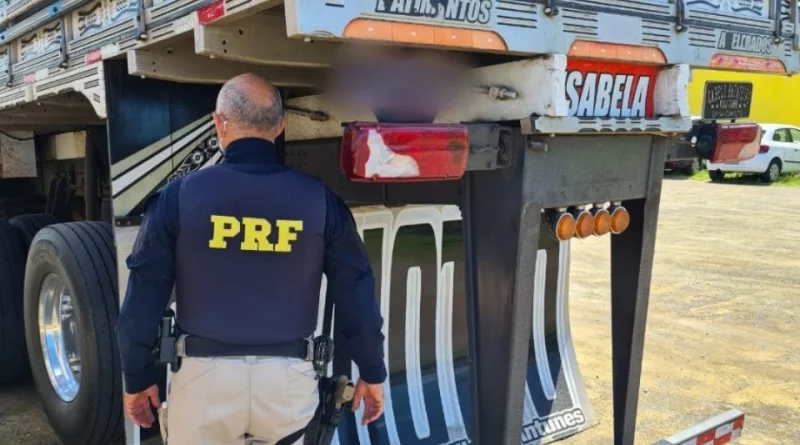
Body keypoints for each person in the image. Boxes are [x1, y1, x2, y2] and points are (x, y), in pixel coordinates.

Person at [116, 73, 386, 445]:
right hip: (288, 387)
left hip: (203, 385)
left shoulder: (177, 197)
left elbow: (144, 296)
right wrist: (372, 371)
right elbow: (356, 290)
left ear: (219, 123)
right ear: (281, 126)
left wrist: (136, 377)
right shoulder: (321, 201)